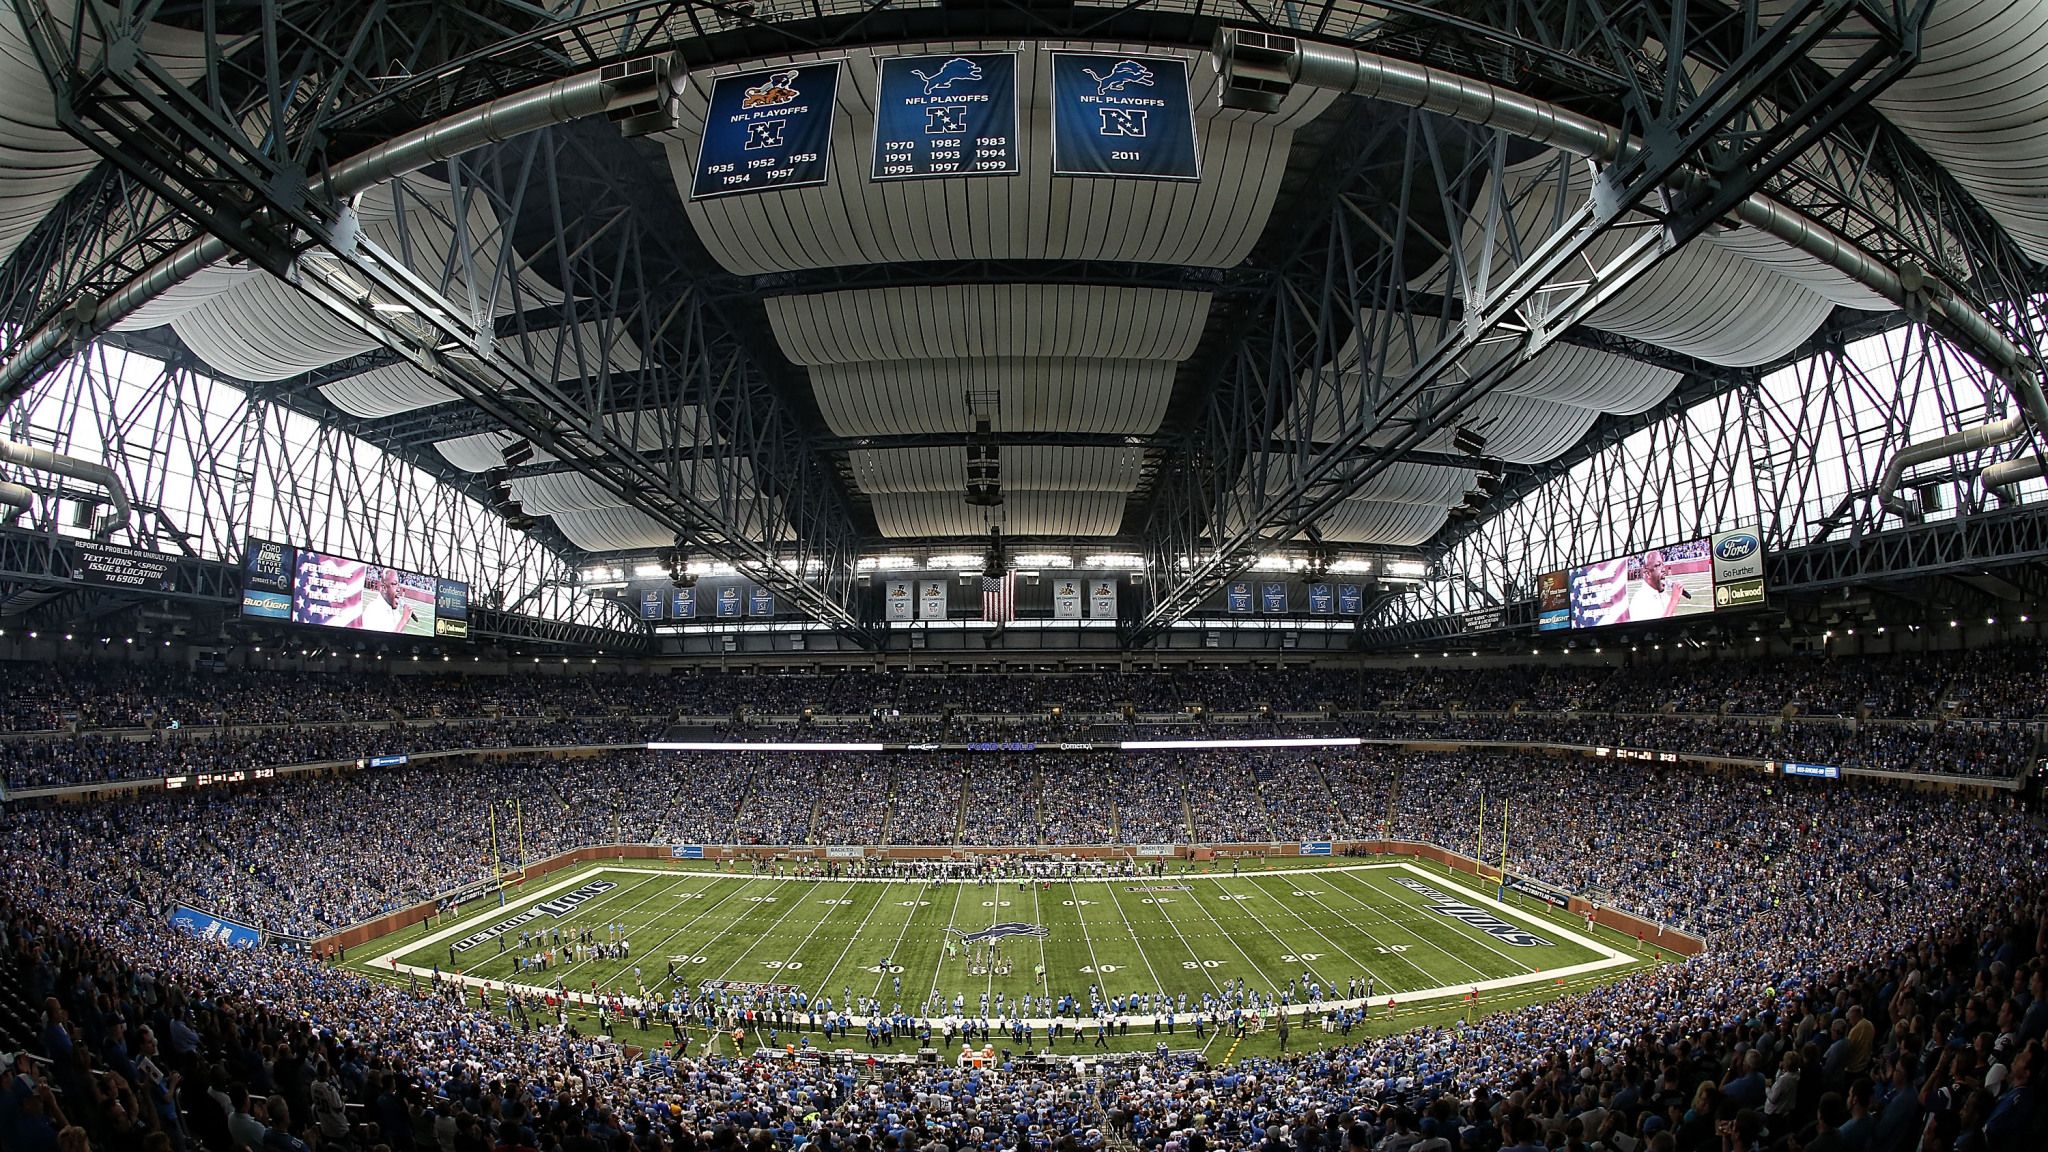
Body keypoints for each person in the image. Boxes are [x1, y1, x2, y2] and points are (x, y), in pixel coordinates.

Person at [361, 567, 417, 633]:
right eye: (394, 584)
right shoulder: (373, 610)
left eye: (398, 585)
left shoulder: (394, 611)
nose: (398, 589)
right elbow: (385, 642)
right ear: (384, 588)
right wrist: (403, 620)